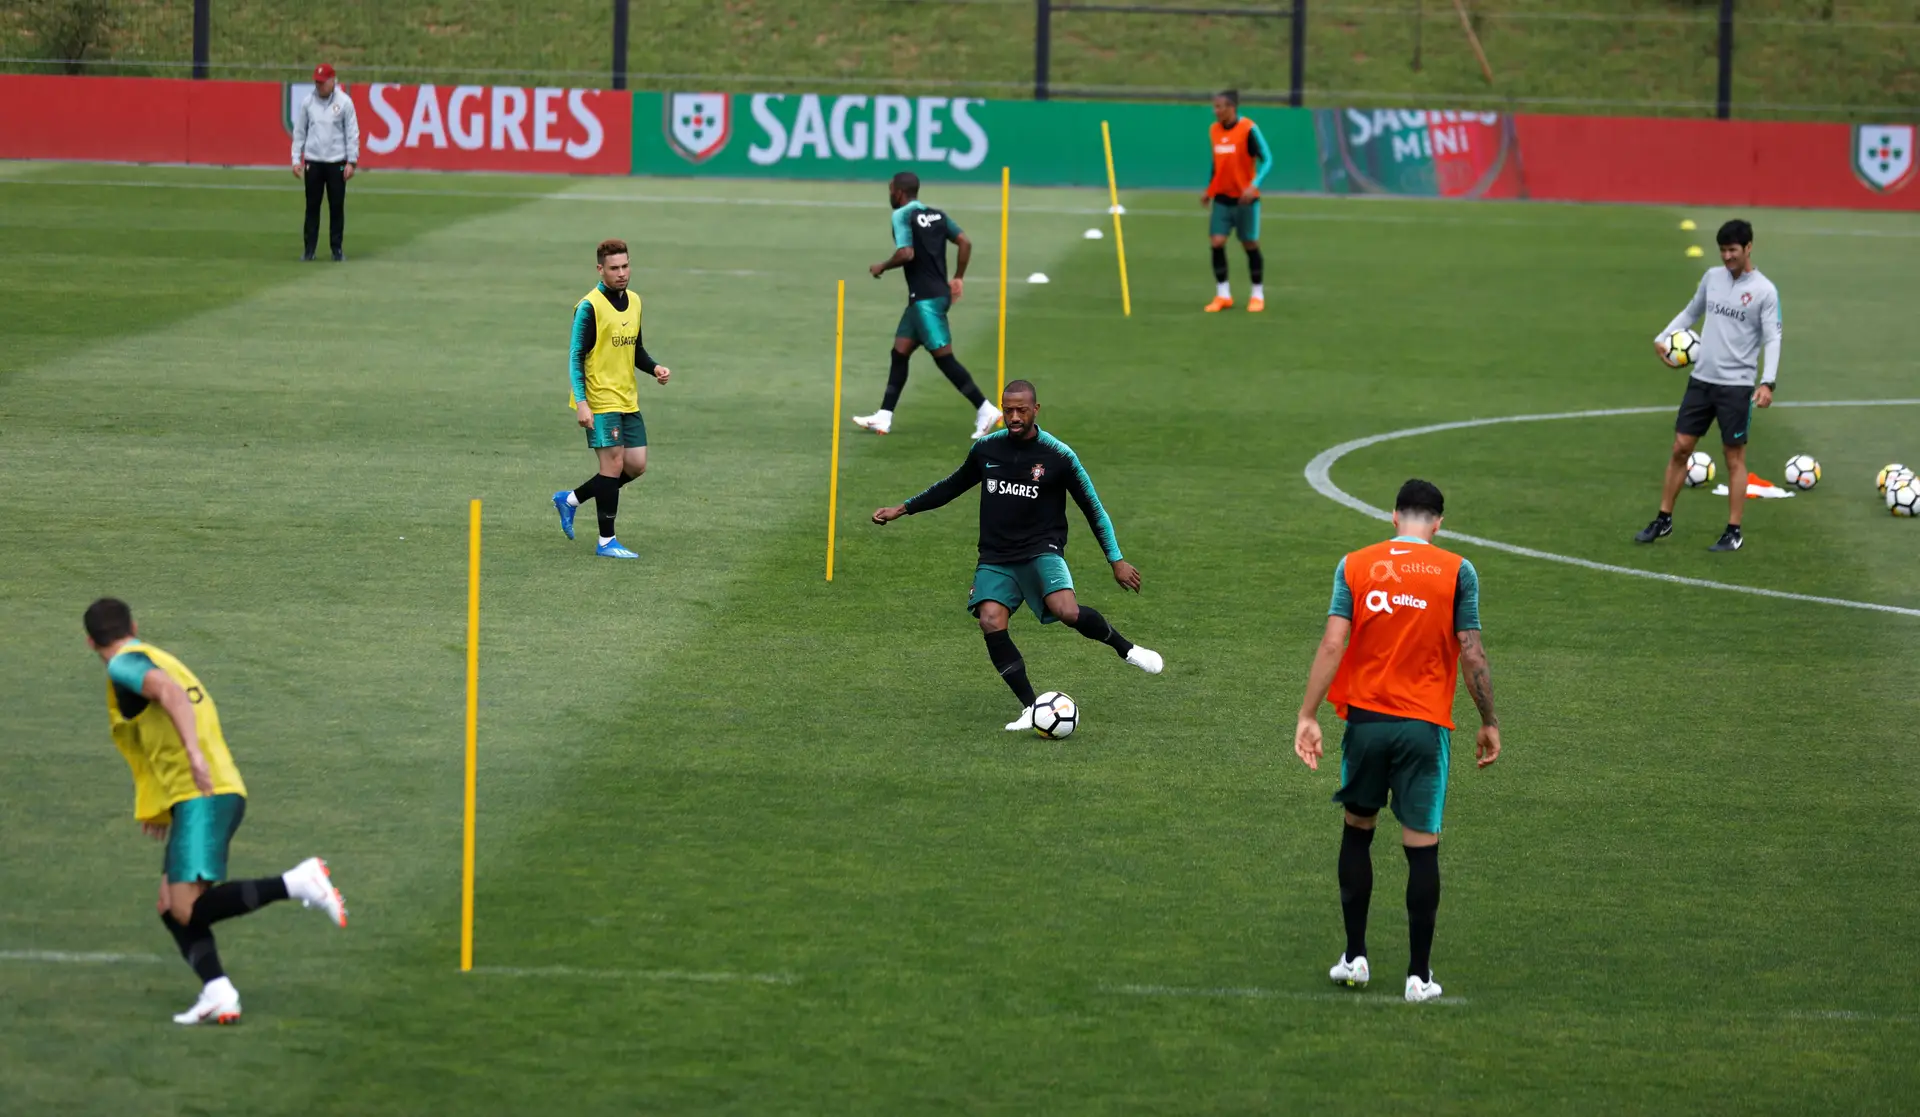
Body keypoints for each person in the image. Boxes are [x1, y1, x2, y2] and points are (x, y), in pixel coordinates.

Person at [83, 598, 346, 1026]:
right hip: (202, 792)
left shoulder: (124, 666)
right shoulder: (157, 655)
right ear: (134, 623)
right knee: (170, 905)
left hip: (202, 792)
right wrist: (158, 804)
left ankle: (299, 883)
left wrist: (193, 756)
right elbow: (157, 727)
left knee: (186, 908)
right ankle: (219, 992)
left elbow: (168, 695)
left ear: (89, 641)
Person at [1292, 480, 1500, 1004]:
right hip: (1424, 728)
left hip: (1365, 725)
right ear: (1438, 523)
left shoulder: (1355, 565)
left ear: (1393, 517)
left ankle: (1355, 958)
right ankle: (1418, 976)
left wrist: (1307, 714)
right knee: (1420, 847)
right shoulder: (1458, 571)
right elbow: (1472, 653)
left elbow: (1333, 641)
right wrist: (1488, 720)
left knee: (1358, 832)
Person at [872, 380, 1163, 730]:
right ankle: (1031, 708)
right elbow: (950, 487)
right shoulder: (986, 450)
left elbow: (1094, 509)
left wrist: (1115, 559)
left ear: (1035, 410)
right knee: (990, 620)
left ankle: (1128, 650)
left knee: (1066, 610)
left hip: (1042, 549)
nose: (1013, 416)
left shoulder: (1059, 456)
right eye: (1007, 410)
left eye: (1021, 410)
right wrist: (902, 509)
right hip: (996, 555)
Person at [1637, 218, 1782, 552]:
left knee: (1733, 458)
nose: (1727, 257)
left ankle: (1733, 530)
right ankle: (1664, 519)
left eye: (1732, 250)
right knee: (1680, 449)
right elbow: (1692, 312)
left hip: (1736, 386)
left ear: (1748, 248)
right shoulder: (1712, 278)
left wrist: (1767, 383)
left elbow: (1773, 337)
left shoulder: (1764, 291)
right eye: (1722, 251)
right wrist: (1663, 337)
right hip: (1701, 380)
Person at [852, 171, 1002, 440]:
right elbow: (964, 241)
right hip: (930, 296)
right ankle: (884, 416)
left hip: (925, 301)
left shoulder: (901, 216)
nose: (890, 194)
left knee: (944, 358)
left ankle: (985, 408)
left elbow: (906, 253)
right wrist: (958, 277)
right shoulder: (937, 215)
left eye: (890, 190)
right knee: (900, 351)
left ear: (898, 191)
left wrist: (882, 267)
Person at [552, 238, 673, 559]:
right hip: (599, 398)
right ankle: (607, 541)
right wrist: (581, 402)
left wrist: (655, 367)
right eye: (614, 268)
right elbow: (575, 356)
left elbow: (636, 349)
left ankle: (571, 500)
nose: (621, 273)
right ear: (600, 269)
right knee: (612, 464)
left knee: (635, 466)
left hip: (627, 398)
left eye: (625, 266)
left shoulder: (634, 301)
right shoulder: (588, 307)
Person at [1200, 89, 1274, 314]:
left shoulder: (1248, 129)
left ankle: (1257, 294)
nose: (1215, 111)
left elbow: (1268, 158)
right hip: (1222, 198)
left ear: (1231, 108)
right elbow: (1217, 166)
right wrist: (1209, 191)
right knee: (1216, 242)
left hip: (1245, 201)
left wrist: (1254, 185)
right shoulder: (1213, 130)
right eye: (1214, 107)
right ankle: (1223, 295)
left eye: (1219, 107)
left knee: (1249, 244)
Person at [291, 63, 359, 262]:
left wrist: (352, 162)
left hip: (336, 161)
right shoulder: (307, 103)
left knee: (336, 207)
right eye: (316, 82)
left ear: (332, 81)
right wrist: (296, 159)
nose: (319, 86)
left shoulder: (345, 103)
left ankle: (336, 249)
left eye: (322, 82)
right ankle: (309, 250)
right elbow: (300, 132)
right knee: (312, 207)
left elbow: (352, 133)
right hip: (313, 161)